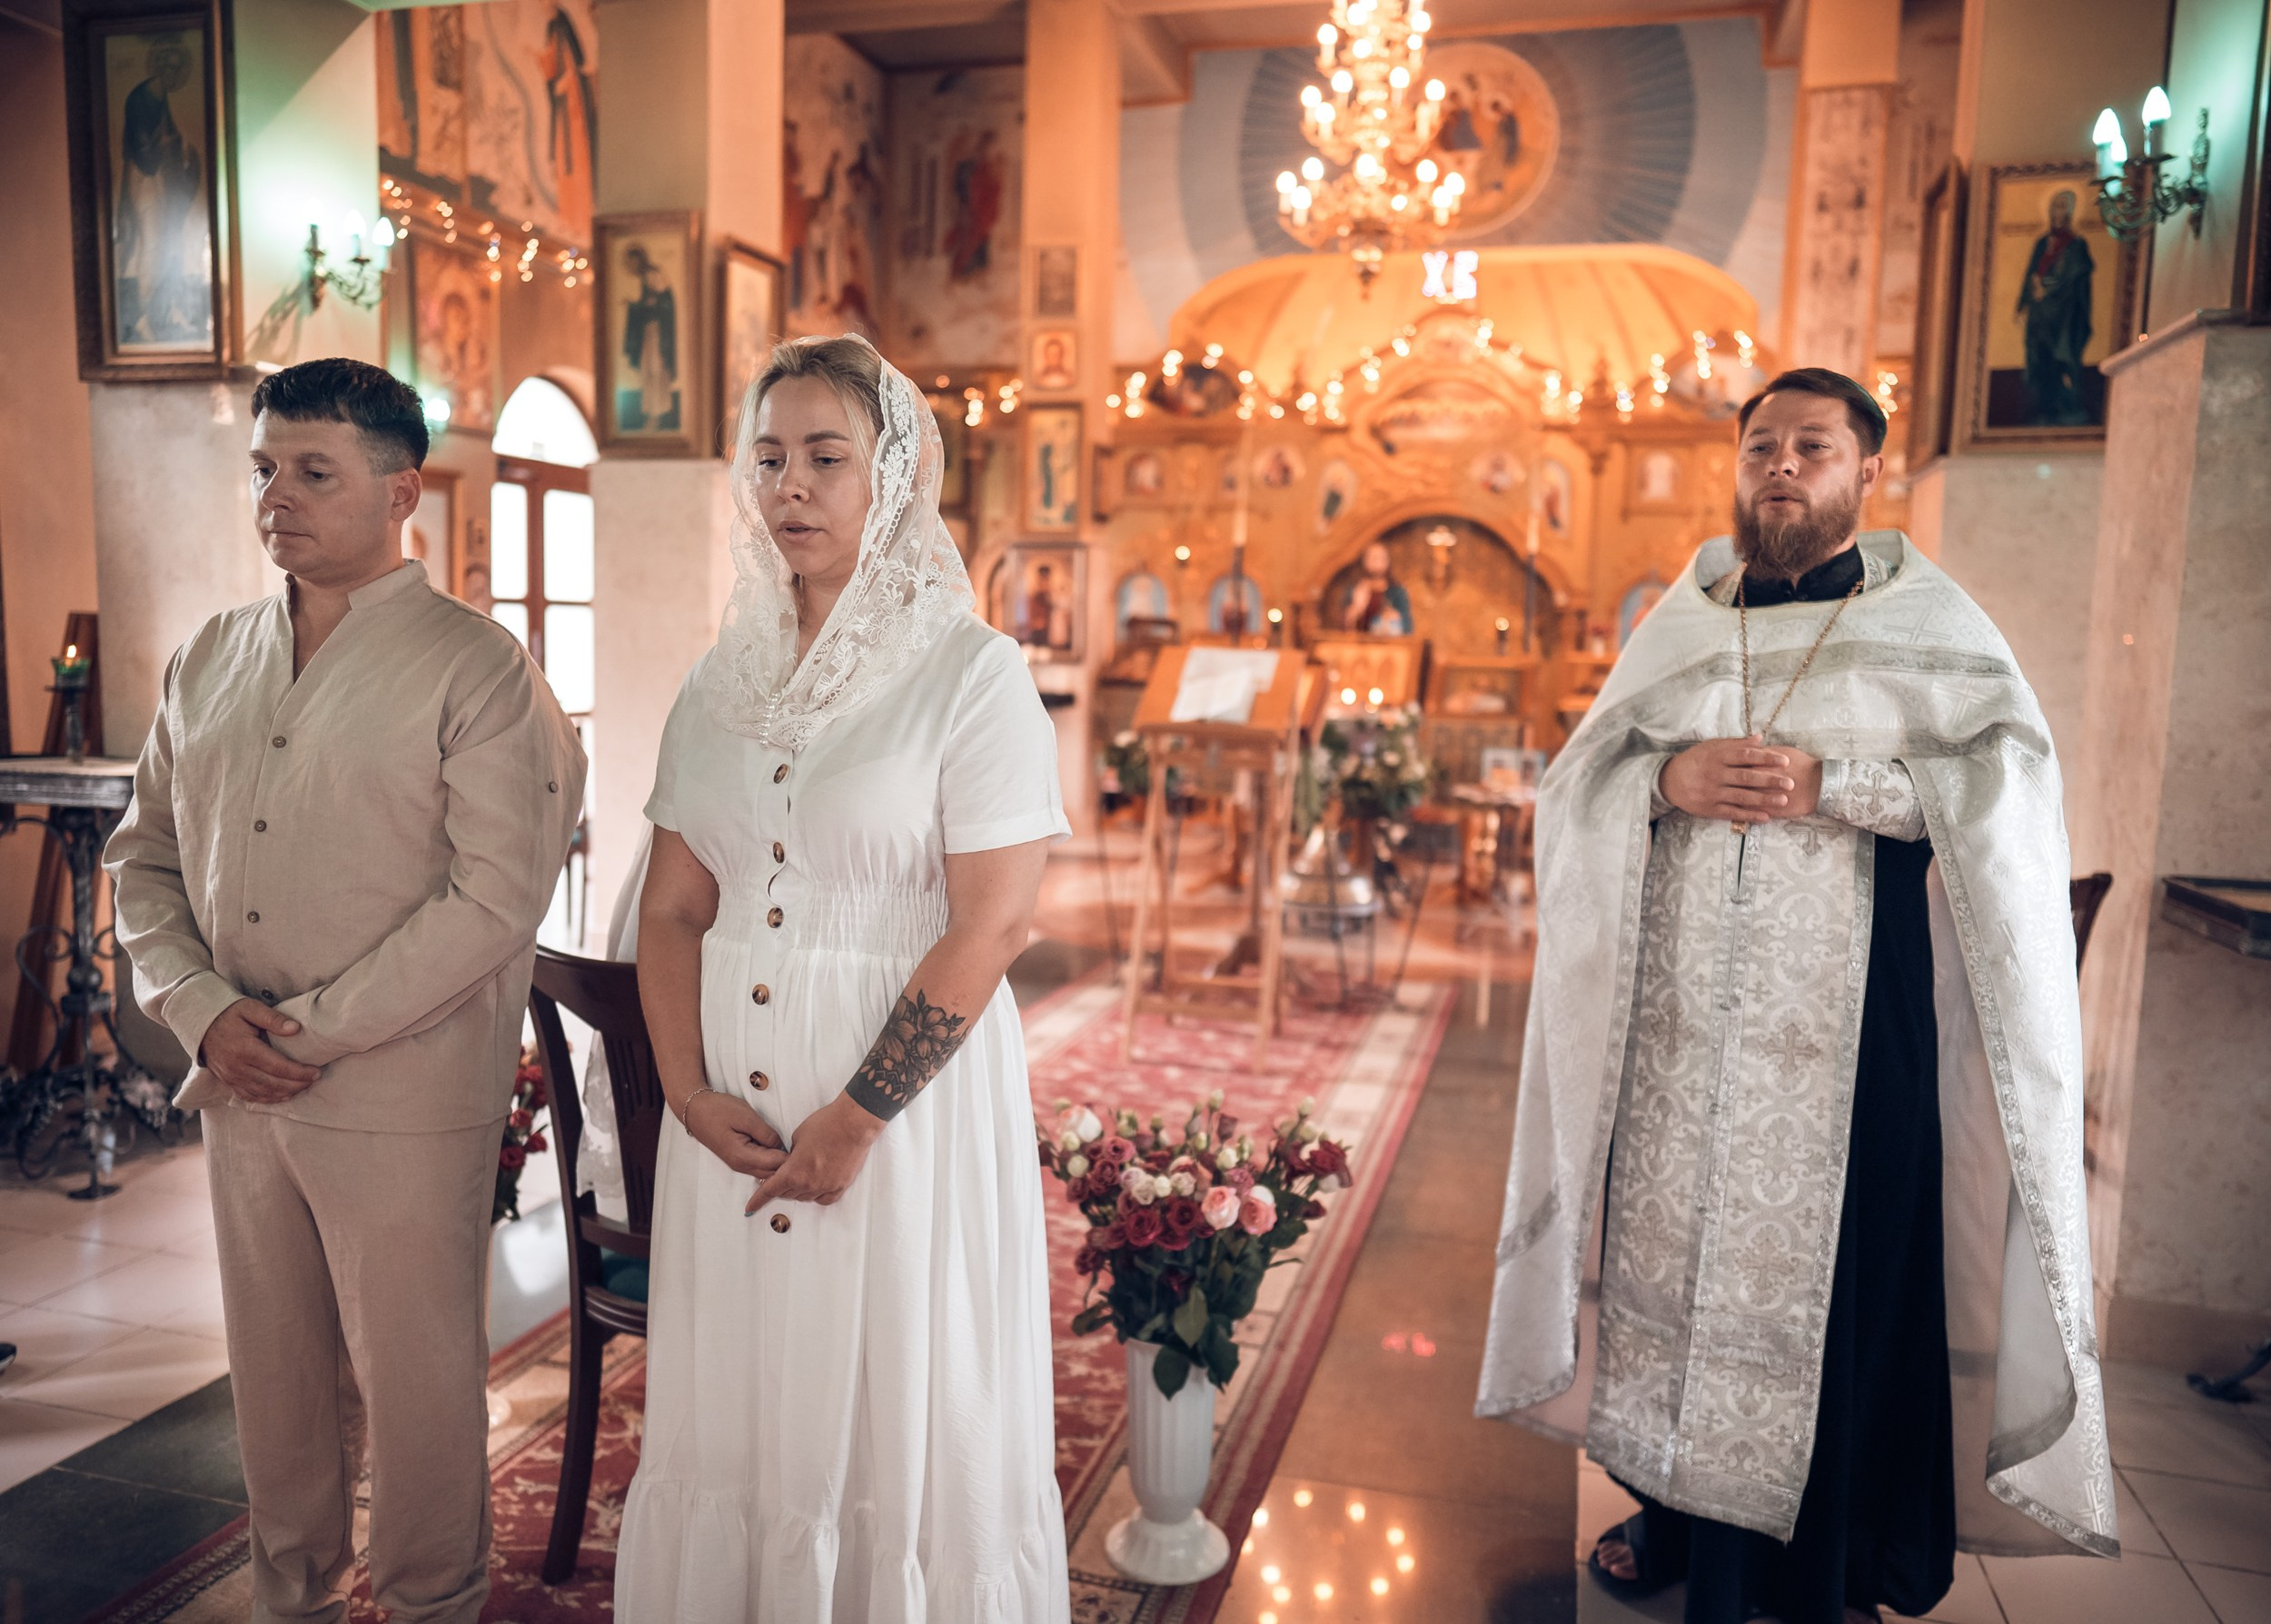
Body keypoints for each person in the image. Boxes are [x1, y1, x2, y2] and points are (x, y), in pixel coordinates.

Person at [1477, 366, 2117, 1624]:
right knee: (1670, 1282)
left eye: (1811, 446)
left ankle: (1816, 1561)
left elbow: (2009, 804)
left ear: (1867, 472)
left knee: (1837, 1301)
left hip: (1848, 1051)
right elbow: (1575, 789)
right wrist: (1666, 785)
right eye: (1761, 443)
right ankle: (1670, 1511)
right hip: (1674, 1048)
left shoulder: (1935, 625)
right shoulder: (1685, 620)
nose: (1780, 465)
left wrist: (1842, 785)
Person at [106, 357, 585, 1623]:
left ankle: (433, 1600)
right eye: (265, 467)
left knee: (415, 1378)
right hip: (241, 1080)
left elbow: (495, 899)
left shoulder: (477, 671)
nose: (278, 495)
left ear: (399, 491)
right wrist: (204, 1010)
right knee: (273, 1374)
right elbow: (142, 856)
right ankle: (291, 1594)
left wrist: (301, 1033)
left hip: (400, 1089)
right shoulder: (211, 656)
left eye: (315, 471)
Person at [614, 333, 1072, 1619]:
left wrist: (860, 1115)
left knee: (890, 1390)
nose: (791, 488)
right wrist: (687, 1095)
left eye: (825, 457)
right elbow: (673, 906)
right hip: (733, 1123)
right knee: (747, 1397)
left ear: (896, 475)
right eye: (768, 460)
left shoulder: (969, 676)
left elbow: (990, 928)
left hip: (899, 1117)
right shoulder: (722, 680)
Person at [2017, 189, 2095, 426]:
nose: (2057, 212)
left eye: (2062, 207)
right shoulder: (2042, 243)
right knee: (2039, 359)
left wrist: (2046, 290)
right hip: (2039, 317)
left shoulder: (2076, 245)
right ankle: (2044, 406)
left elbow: (2073, 279)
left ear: (2070, 212)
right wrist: (2024, 303)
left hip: (2063, 318)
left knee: (2061, 360)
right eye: (2054, 206)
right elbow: (2030, 273)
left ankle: (2066, 408)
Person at [1344, 540, 1413, 635]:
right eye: (1373, 558)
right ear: (1364, 560)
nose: (1377, 563)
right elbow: (1344, 625)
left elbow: (1408, 626)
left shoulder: (1397, 591)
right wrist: (1356, 607)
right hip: (1360, 644)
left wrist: (1395, 617)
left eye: (1382, 558)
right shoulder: (1355, 589)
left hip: (1390, 645)